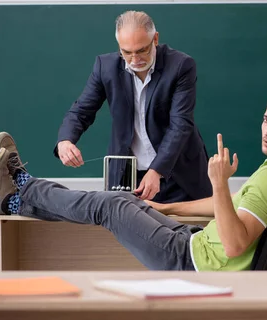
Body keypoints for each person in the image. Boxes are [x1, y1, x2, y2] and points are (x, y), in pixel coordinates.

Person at [0, 92, 267, 271]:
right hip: (199, 243)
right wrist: (168, 207)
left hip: (194, 260)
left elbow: (234, 245)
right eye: (266, 120)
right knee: (130, 200)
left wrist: (217, 184)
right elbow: (236, 209)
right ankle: (14, 202)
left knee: (111, 204)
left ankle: (23, 184)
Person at [54, 10, 211, 203]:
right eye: (127, 52)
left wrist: (157, 170)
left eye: (141, 50)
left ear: (155, 39)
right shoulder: (106, 66)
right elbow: (82, 110)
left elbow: (180, 124)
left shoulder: (181, 65)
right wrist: (65, 141)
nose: (135, 60)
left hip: (178, 175)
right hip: (127, 177)